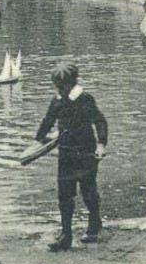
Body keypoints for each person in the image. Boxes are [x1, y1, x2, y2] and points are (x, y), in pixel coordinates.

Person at [34, 62, 109, 251]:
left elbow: (100, 122)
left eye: (63, 86)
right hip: (66, 153)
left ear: (73, 82)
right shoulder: (57, 100)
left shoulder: (85, 99)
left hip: (86, 151)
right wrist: (39, 139)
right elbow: (48, 121)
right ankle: (66, 234)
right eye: (57, 86)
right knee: (64, 194)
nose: (60, 89)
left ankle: (94, 224)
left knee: (88, 190)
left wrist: (101, 144)